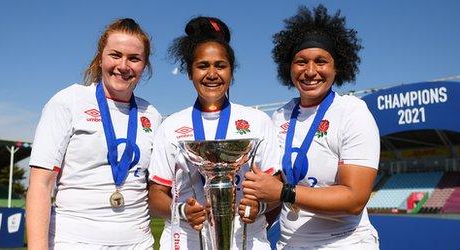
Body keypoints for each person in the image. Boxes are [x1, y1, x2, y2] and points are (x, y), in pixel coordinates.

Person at [242, 5, 381, 249]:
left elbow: (354, 198)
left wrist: (284, 192)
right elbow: (273, 192)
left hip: (345, 242)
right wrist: (258, 209)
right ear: (289, 68)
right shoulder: (279, 117)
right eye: (301, 62)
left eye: (321, 61)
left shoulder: (352, 112)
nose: (310, 71)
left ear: (337, 67)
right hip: (289, 243)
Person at [26, 18, 162, 250]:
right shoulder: (69, 101)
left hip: (138, 243)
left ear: (144, 65)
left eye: (134, 58)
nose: (123, 66)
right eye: (115, 55)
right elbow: (41, 183)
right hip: (75, 242)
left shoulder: (152, 115)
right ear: (101, 58)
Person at [147, 16, 281, 249]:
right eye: (202, 66)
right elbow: (156, 194)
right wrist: (181, 210)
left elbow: (275, 189)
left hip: (246, 240)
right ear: (190, 72)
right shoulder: (171, 126)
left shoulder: (257, 121)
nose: (212, 74)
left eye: (220, 65)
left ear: (231, 72)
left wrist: (258, 207)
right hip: (187, 239)